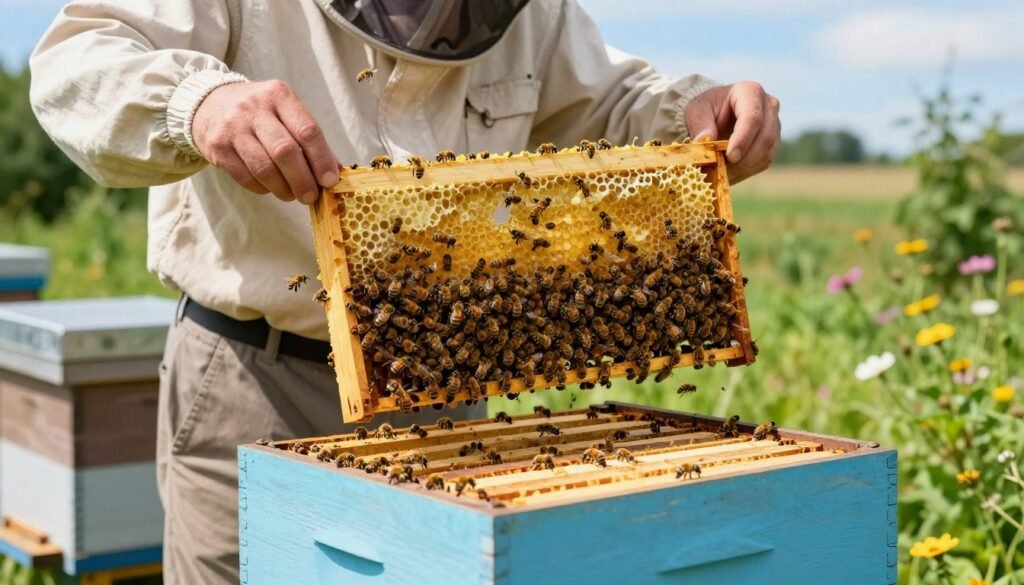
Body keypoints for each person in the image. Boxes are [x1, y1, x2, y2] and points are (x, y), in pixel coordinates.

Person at [29, 1, 781, 582]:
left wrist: (692, 113)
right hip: (254, 385)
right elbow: (76, 63)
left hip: (441, 387)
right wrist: (196, 102)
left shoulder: (528, 13)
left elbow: (611, 103)